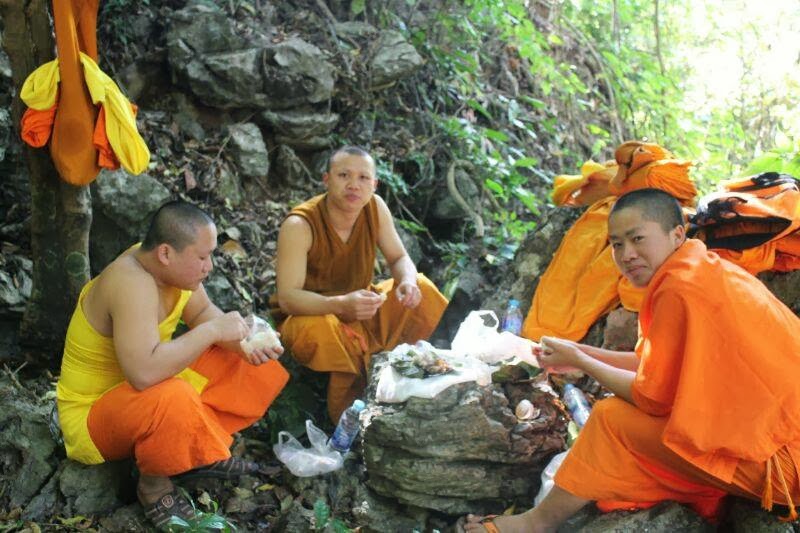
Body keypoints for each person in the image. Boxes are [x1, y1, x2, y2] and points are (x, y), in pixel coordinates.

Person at [465, 188, 800, 533]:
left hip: (782, 466)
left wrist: (581, 359)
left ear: (677, 234)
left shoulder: (678, 288)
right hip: (781, 447)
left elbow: (652, 397)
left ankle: (535, 523)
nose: (627, 254)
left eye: (638, 238)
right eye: (616, 244)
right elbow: (654, 364)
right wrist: (580, 355)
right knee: (630, 422)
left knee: (610, 419)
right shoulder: (702, 269)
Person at [57, 200, 289, 529]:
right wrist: (213, 331)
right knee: (174, 396)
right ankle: (153, 486)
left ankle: (196, 449)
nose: (209, 266)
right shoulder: (131, 282)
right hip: (93, 415)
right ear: (166, 253)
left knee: (246, 360)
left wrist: (247, 341)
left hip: (140, 392)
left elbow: (203, 313)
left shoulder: (167, 267)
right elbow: (143, 374)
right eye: (202, 257)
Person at [272, 145, 448, 421]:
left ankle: (420, 368)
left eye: (363, 178)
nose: (354, 185)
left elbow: (399, 257)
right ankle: (349, 415)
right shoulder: (300, 225)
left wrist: (407, 281)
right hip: (315, 313)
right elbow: (288, 298)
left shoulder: (375, 207)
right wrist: (340, 305)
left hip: (361, 308)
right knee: (317, 329)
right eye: (344, 175)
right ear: (326, 179)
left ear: (374, 185)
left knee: (423, 289)